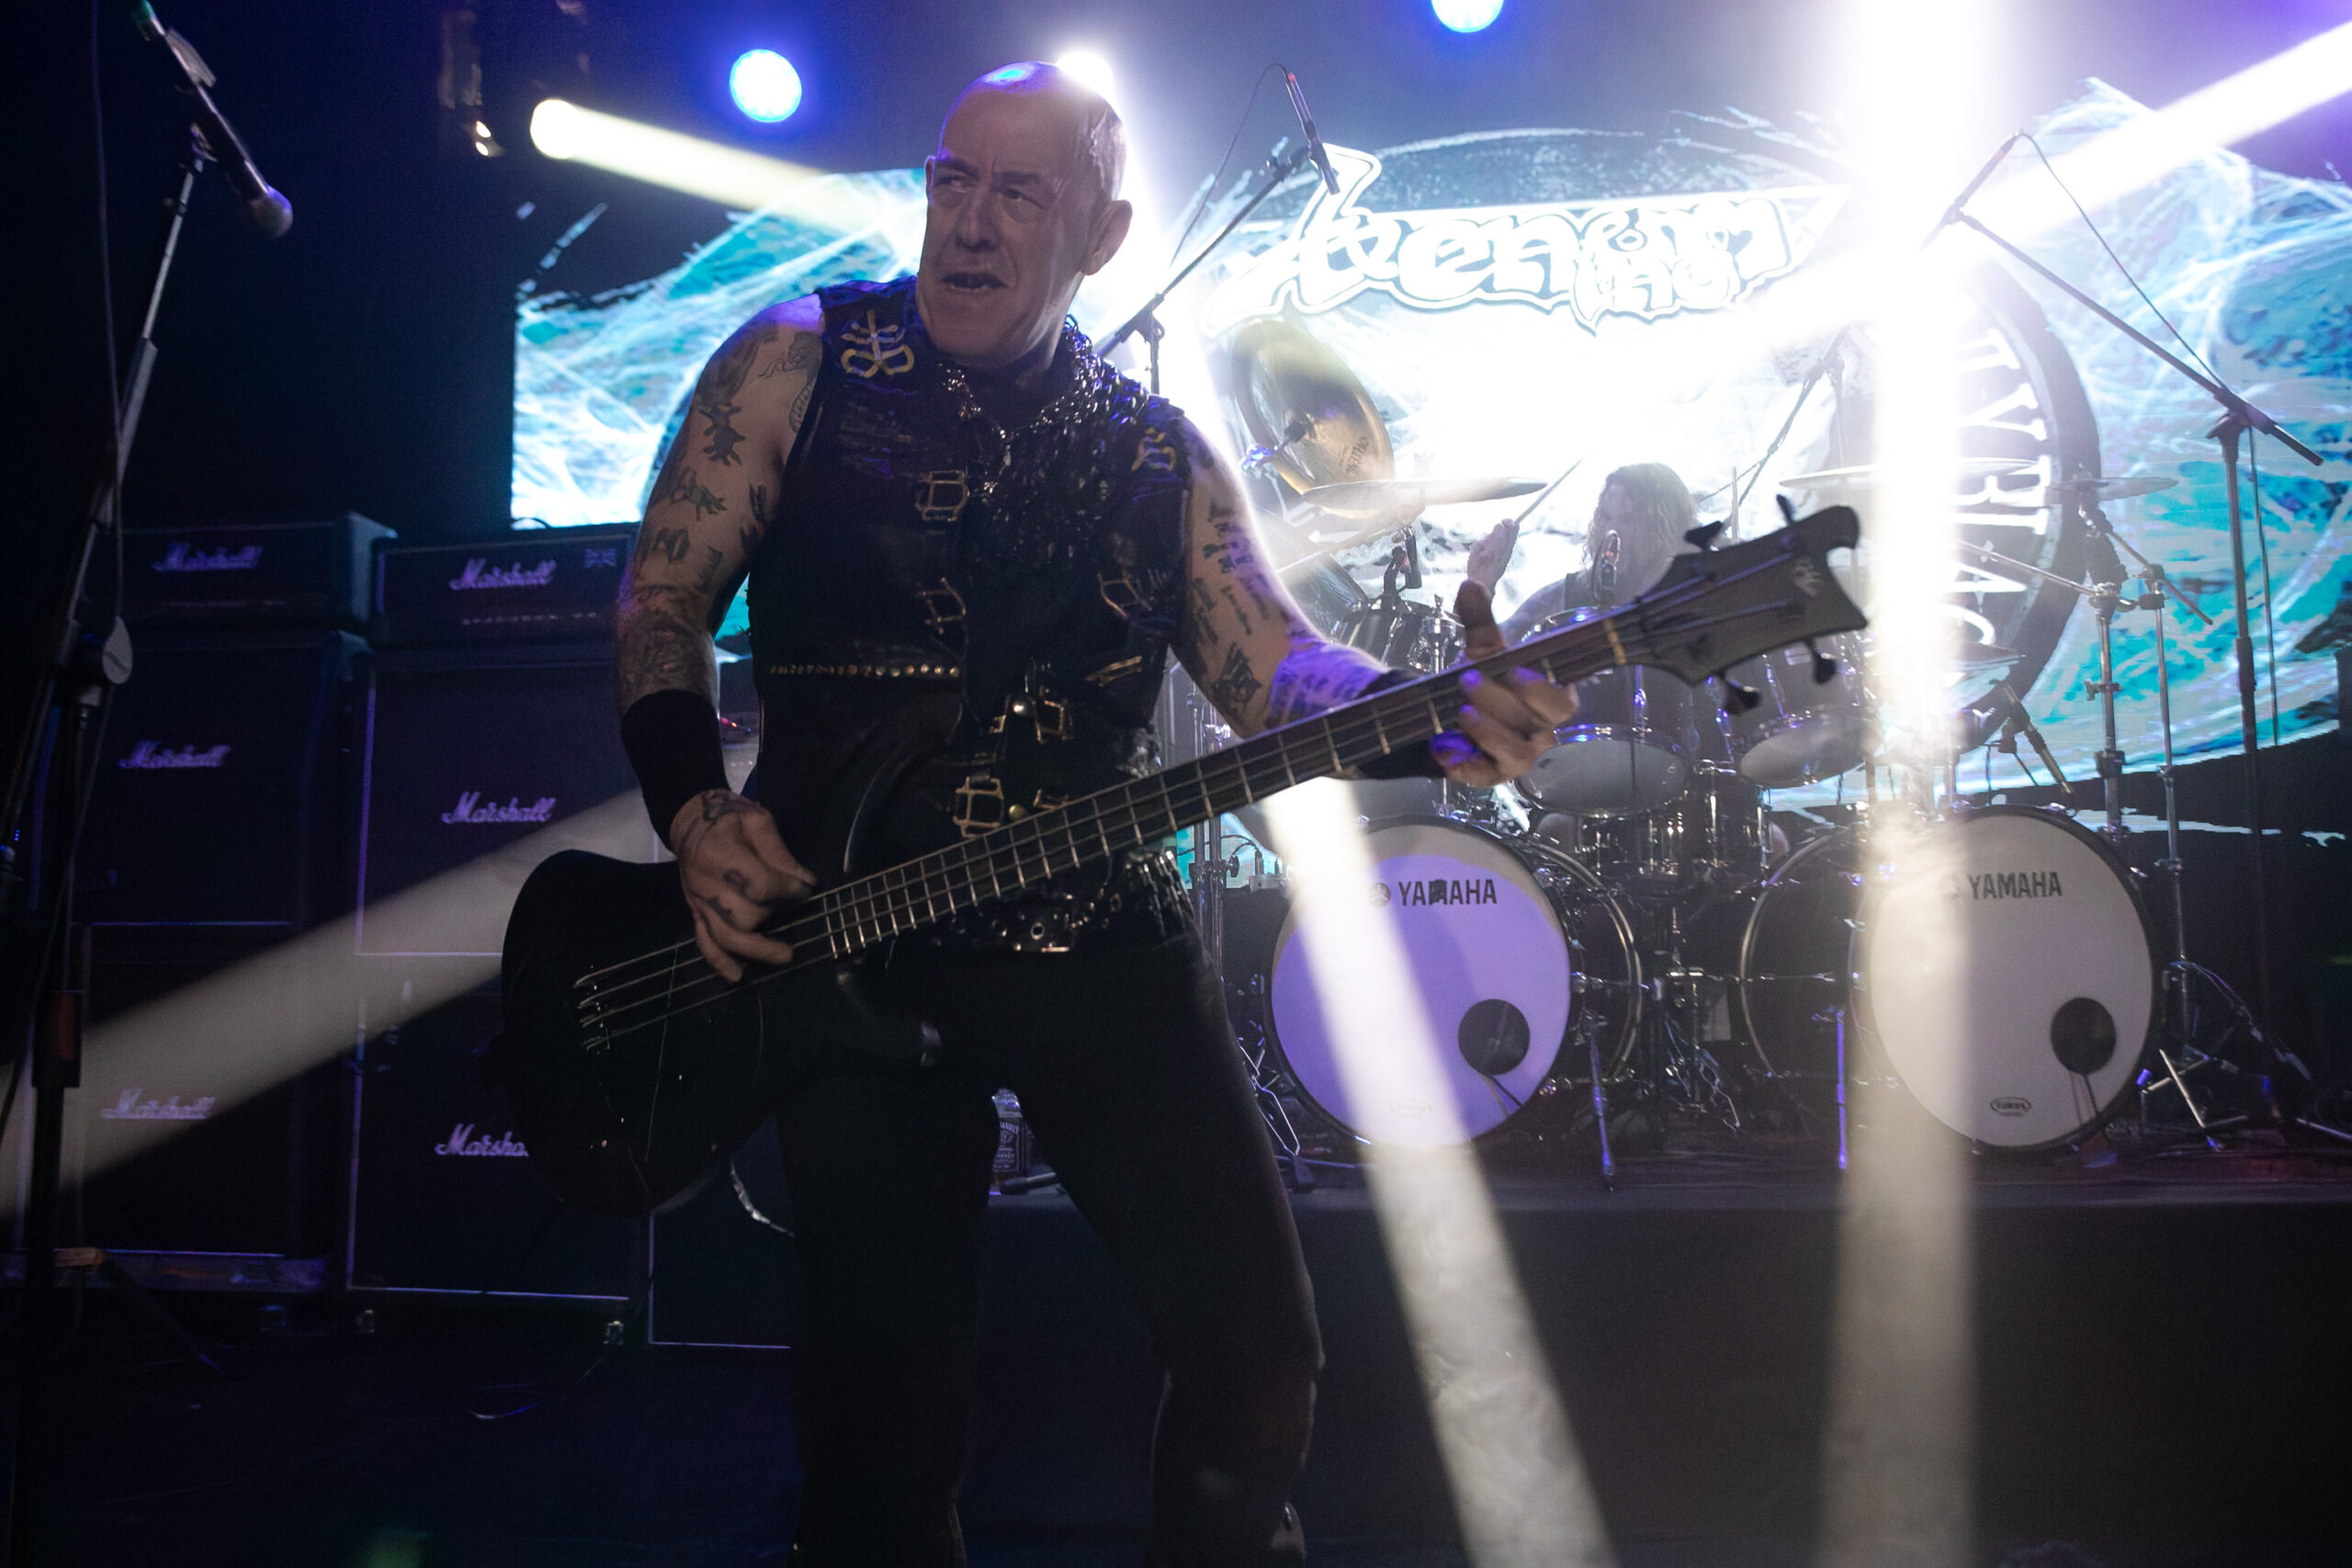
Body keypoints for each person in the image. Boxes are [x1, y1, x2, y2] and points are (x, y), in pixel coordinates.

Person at [605, 62, 1579, 1567]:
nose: (969, 223)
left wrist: (1432, 707)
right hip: (844, 939)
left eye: (1019, 193)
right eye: (952, 180)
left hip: (1095, 933)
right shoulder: (800, 360)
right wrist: (692, 808)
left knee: (1258, 1355)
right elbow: (663, 599)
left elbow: (1273, 670)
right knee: (880, 1428)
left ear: (1103, 234)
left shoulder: (1155, 452)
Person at [1464, 461, 1700, 640]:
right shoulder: (1567, 595)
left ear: (1669, 527)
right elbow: (1488, 656)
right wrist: (1481, 587)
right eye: (1607, 517)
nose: (1613, 531)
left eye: (1630, 520)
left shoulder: (1698, 596)